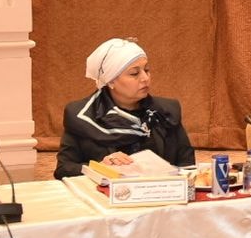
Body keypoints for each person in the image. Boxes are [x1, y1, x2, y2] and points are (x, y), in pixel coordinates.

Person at [55, 39, 194, 179]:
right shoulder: (82, 116)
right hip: (105, 191)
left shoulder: (165, 112)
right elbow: (63, 169)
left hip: (161, 189)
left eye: (146, 70)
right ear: (111, 81)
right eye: (134, 73)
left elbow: (187, 166)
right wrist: (100, 167)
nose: (145, 78)